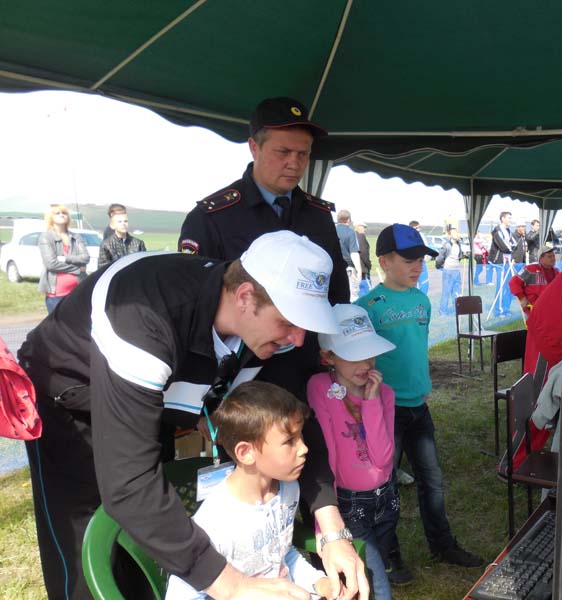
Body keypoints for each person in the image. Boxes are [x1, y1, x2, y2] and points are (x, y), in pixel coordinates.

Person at [18, 231, 368, 600]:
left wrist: (333, 533)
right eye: (288, 323)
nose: (298, 339)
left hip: (156, 393)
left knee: (157, 546)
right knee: (84, 554)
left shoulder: (270, 323)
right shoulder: (144, 318)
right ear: (245, 297)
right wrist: (233, 586)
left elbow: (295, 421)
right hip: (71, 402)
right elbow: (129, 483)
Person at [177, 97, 355, 573]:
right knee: (246, 496)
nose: (294, 163)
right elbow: (200, 311)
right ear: (253, 147)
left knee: (304, 459)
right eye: (282, 152)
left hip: (299, 369)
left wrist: (335, 355)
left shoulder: (316, 215)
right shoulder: (214, 216)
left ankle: (309, 554)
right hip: (239, 386)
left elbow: (336, 296)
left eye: (303, 154)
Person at [356, 224, 483, 586]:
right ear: (384, 262)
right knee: (384, 487)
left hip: (418, 407)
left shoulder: (422, 301)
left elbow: (416, 349)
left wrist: (421, 386)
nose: (418, 266)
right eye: (409, 259)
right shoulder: (366, 309)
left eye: (421, 259)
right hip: (385, 412)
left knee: (432, 480)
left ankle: (442, 545)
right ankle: (389, 555)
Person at [165, 381, 333, 600]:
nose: (304, 448)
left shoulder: (289, 489)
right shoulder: (214, 524)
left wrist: (318, 582)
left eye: (300, 436)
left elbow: (281, 555)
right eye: (289, 441)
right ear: (246, 453)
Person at [309, 304, 398, 600]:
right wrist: (325, 527)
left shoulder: (384, 393)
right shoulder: (320, 388)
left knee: (374, 569)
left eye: (369, 353)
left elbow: (383, 458)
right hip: (349, 506)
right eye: (353, 355)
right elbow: (327, 458)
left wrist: (371, 402)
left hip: (386, 500)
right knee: (378, 587)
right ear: (328, 357)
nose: (365, 363)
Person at [37, 204, 89, 314]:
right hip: (57, 295)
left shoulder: (76, 237)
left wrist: (65, 258)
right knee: (58, 324)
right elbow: (51, 264)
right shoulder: (46, 237)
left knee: (78, 322)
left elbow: (85, 258)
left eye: (64, 213)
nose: (62, 215)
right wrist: (77, 269)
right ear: (50, 217)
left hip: (78, 290)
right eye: (57, 213)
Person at [488, 211, 516, 317]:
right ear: (503, 219)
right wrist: (510, 248)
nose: (510, 220)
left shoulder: (508, 230)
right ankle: (498, 310)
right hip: (500, 262)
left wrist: (511, 247)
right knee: (501, 287)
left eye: (511, 218)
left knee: (508, 287)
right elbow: (504, 246)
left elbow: (514, 244)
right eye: (509, 218)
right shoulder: (497, 231)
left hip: (508, 261)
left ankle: (505, 308)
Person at [435, 225, 464, 316]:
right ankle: (443, 312)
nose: (456, 234)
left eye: (456, 232)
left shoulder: (459, 244)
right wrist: (440, 265)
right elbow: (439, 258)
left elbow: (459, 256)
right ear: (450, 235)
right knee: (446, 292)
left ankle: (457, 310)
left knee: (457, 292)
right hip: (448, 271)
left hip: (457, 270)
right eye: (454, 233)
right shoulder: (446, 245)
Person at [336, 209, 362, 301]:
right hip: (348, 268)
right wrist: (359, 270)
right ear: (348, 220)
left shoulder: (331, 230)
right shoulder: (350, 232)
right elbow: (354, 253)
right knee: (352, 296)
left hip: (333, 267)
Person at [408, 220, 430, 294]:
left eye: (419, 227)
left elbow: (426, 248)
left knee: (424, 284)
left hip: (422, 262)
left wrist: (427, 257)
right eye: (416, 228)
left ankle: (422, 298)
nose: (419, 229)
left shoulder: (422, 236)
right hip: (412, 263)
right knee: (412, 284)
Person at [355, 221, 373, 297]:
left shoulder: (353, 236)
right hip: (363, 268)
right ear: (358, 226)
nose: (364, 229)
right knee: (366, 291)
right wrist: (368, 265)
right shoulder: (361, 236)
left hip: (355, 268)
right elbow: (364, 253)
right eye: (363, 227)